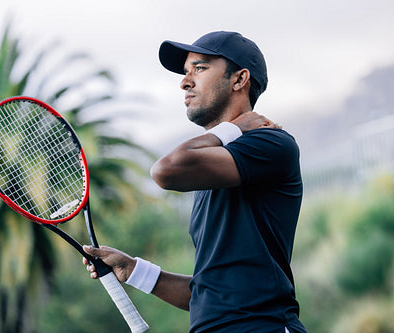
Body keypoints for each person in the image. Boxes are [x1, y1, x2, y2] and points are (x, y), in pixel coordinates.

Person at [83, 31, 307, 333]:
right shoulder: (210, 171)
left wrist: (235, 127)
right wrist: (133, 269)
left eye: (199, 69)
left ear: (239, 79)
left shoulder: (270, 144)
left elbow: (165, 169)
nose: (185, 82)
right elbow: (208, 292)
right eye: (186, 72)